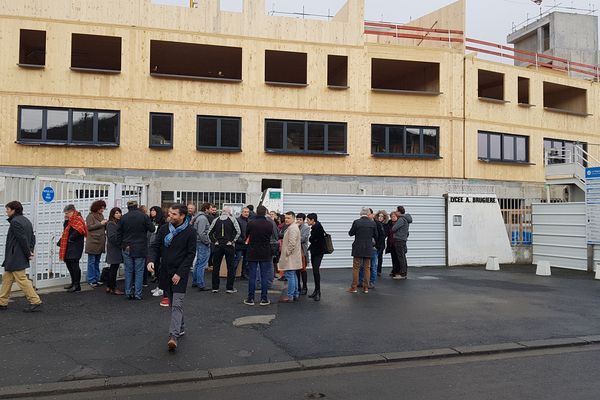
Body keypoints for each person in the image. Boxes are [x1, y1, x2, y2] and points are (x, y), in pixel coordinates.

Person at [147, 204, 196, 352]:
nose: (171, 216)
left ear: (182, 216)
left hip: (180, 274)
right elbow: (155, 246)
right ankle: (180, 328)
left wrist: (180, 273)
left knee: (177, 304)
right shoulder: (164, 229)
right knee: (172, 305)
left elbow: (190, 254)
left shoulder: (190, 232)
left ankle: (173, 336)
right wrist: (151, 260)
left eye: (174, 214)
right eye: (170, 213)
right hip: (165, 272)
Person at [0, 201, 42, 312]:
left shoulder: (15, 222)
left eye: (7, 209)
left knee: (22, 279)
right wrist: (30, 250)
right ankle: (2, 302)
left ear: (13, 210)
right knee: (7, 278)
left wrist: (28, 253)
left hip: (15, 255)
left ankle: (35, 300)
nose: (6, 212)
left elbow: (22, 239)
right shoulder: (26, 221)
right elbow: (32, 237)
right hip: (17, 255)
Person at [117, 200, 155, 300]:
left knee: (128, 270)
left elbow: (118, 233)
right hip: (140, 246)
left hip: (127, 246)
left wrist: (121, 244)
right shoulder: (143, 216)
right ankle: (138, 293)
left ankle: (128, 292)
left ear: (128, 207)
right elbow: (152, 229)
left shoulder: (123, 217)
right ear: (137, 206)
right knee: (139, 271)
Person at [243, 205, 273, 306]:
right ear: (265, 212)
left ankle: (250, 298)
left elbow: (247, 235)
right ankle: (264, 299)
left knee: (252, 276)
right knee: (264, 276)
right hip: (265, 251)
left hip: (252, 251)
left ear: (256, 212)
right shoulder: (269, 224)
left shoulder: (251, 223)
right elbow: (270, 235)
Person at [209, 206, 240, 294]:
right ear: (229, 211)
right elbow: (238, 231)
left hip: (218, 245)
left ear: (222, 211)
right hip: (229, 246)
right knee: (230, 267)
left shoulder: (216, 220)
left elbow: (209, 232)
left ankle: (215, 287)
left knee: (216, 266)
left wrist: (215, 241)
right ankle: (229, 288)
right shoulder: (232, 219)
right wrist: (232, 241)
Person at [348, 207, 377, 294]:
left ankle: (354, 287)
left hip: (358, 247)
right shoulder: (372, 223)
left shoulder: (356, 222)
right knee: (367, 268)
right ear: (368, 214)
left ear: (361, 214)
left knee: (356, 267)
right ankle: (366, 288)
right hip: (368, 247)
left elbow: (350, 233)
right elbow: (376, 235)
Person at [60, 204, 87, 293]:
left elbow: (80, 230)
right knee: (69, 264)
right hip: (69, 246)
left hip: (75, 246)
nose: (66, 215)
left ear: (72, 211)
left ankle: (77, 285)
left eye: (67, 213)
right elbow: (65, 230)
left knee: (74, 265)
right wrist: (66, 220)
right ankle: (73, 283)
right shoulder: (70, 220)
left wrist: (70, 238)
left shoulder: (77, 218)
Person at [278, 211, 302, 303]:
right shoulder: (293, 227)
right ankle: (295, 294)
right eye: (285, 218)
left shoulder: (293, 228)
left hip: (291, 256)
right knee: (293, 275)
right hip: (292, 256)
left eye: (288, 218)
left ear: (293, 218)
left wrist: (287, 252)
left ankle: (290, 296)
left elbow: (292, 242)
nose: (286, 220)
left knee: (290, 275)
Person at [149, 206, 169, 306]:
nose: (152, 212)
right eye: (151, 210)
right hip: (152, 246)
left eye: (154, 210)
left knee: (160, 268)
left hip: (159, 247)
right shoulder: (150, 221)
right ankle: (159, 285)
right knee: (156, 267)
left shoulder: (162, 223)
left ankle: (162, 287)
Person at [84, 200, 107, 287]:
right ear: (96, 207)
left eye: (103, 208)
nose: (102, 209)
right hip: (93, 242)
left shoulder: (101, 215)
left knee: (97, 261)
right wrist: (101, 224)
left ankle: (97, 278)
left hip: (100, 242)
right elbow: (89, 227)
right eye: (101, 208)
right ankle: (91, 279)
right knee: (92, 261)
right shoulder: (90, 216)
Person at [358, 208, 381, 289]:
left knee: (373, 266)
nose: (367, 216)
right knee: (362, 266)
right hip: (365, 247)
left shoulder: (376, 223)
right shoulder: (364, 223)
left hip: (373, 248)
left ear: (372, 214)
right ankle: (361, 281)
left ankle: (371, 282)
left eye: (369, 214)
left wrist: (377, 246)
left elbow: (380, 235)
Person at [192, 202, 212, 291]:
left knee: (198, 263)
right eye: (210, 208)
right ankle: (200, 284)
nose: (212, 210)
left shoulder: (197, 217)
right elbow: (201, 232)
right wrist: (207, 242)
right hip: (202, 242)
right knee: (202, 264)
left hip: (198, 242)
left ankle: (195, 281)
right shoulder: (203, 219)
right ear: (206, 209)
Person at [105, 207, 124, 295]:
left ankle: (109, 286)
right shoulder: (111, 224)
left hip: (115, 248)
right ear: (113, 214)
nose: (118, 214)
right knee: (113, 268)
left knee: (113, 267)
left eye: (119, 213)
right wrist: (120, 245)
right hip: (114, 248)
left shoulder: (117, 223)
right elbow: (112, 237)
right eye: (116, 213)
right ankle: (113, 288)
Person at [306, 213, 325, 302]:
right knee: (315, 271)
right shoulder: (316, 226)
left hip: (318, 252)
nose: (307, 221)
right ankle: (316, 290)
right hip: (316, 251)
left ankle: (318, 292)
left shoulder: (317, 227)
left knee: (316, 271)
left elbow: (313, 239)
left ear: (313, 220)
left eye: (308, 220)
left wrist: (311, 239)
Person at [392, 206, 413, 280]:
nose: (395, 212)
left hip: (399, 239)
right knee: (403, 256)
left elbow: (394, 228)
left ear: (399, 212)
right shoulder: (406, 219)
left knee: (401, 257)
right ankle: (404, 272)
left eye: (396, 211)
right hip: (403, 239)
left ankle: (402, 273)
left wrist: (394, 224)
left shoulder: (401, 219)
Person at [233, 207, 250, 280]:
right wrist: (242, 241)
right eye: (245, 212)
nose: (246, 213)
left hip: (247, 244)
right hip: (239, 244)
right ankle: (232, 274)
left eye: (247, 212)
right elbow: (235, 232)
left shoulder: (249, 221)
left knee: (246, 260)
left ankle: (244, 274)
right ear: (241, 212)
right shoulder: (237, 220)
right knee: (237, 259)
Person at [295, 213, 310, 295]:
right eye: (297, 219)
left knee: (303, 270)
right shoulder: (294, 226)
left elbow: (303, 239)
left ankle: (305, 287)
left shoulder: (306, 228)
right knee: (296, 270)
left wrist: (295, 233)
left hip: (302, 251)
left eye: (300, 219)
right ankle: (298, 286)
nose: (298, 221)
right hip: (295, 251)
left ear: (303, 220)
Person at [386, 212, 400, 277]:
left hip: (397, 242)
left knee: (398, 258)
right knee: (393, 258)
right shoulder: (389, 223)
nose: (393, 218)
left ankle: (398, 271)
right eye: (392, 216)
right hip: (391, 243)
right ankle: (394, 270)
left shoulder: (399, 223)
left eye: (394, 216)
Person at [374, 211, 389, 277]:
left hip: (381, 244)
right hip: (374, 243)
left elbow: (385, 235)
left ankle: (379, 270)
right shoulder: (375, 223)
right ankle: (373, 270)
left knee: (379, 257)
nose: (380, 217)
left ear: (384, 218)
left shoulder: (386, 225)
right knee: (373, 258)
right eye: (379, 216)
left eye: (382, 216)